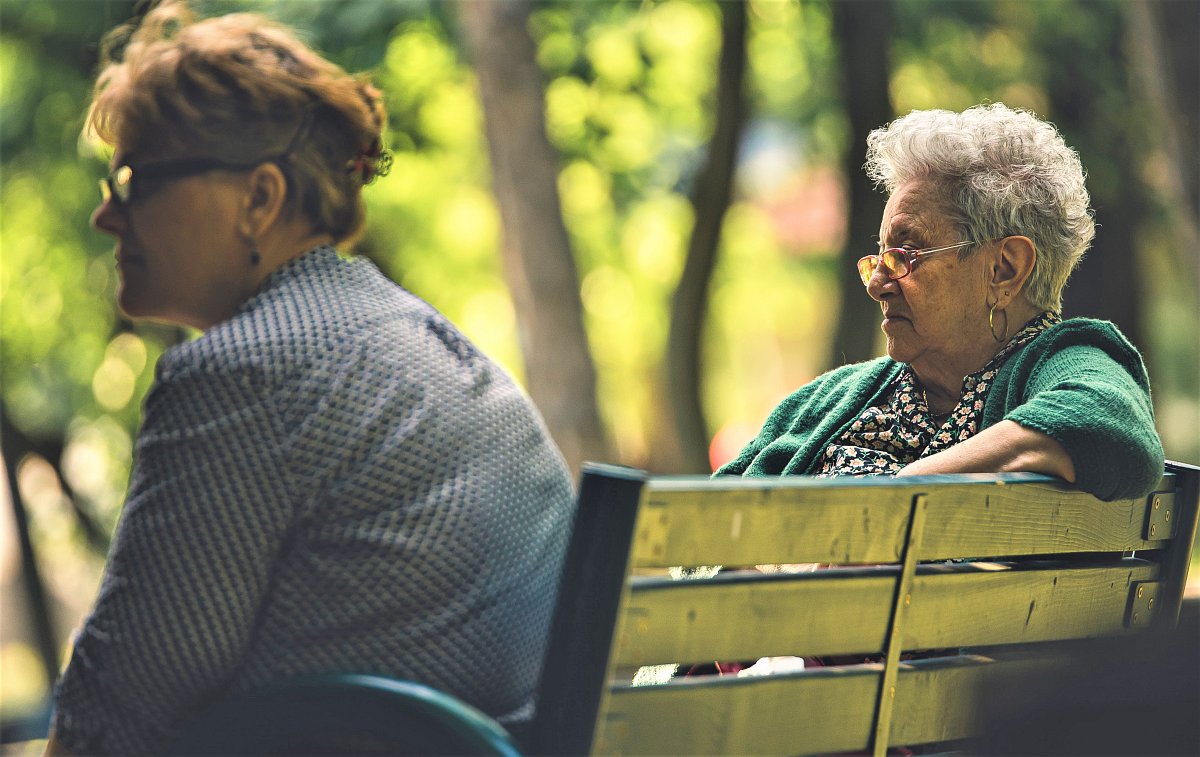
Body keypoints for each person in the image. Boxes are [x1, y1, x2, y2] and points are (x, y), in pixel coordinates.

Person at [47, 3, 575, 754]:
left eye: (133, 178)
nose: (107, 214)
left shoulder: (241, 375)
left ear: (258, 199)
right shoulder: (421, 336)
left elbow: (114, 718)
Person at [719, 103, 1164, 501]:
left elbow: (1107, 422)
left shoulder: (1065, 364)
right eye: (879, 257)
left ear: (1004, 269)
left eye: (905, 255)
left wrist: (896, 503)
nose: (876, 284)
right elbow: (702, 536)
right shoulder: (831, 398)